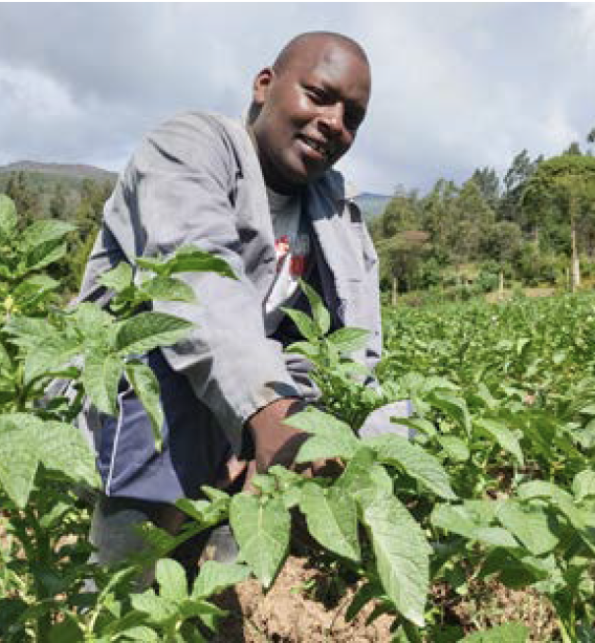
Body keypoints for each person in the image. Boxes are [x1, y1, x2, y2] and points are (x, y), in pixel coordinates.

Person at [67, 31, 401, 574]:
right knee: (166, 372)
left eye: (353, 117)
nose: (335, 123)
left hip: (250, 402)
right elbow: (199, 286)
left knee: (386, 413)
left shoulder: (336, 213)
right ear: (265, 85)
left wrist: (315, 421)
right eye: (318, 96)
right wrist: (268, 409)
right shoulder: (191, 146)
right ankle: (119, 585)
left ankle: (229, 563)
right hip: (133, 388)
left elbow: (351, 349)